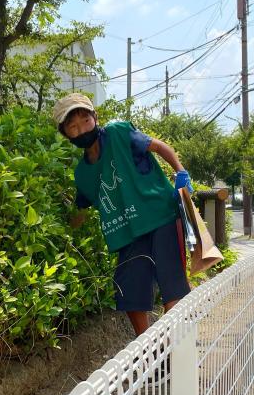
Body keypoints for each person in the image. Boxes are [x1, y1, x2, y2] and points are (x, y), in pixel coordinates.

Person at [52, 93, 193, 339]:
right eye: (73, 127)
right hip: (127, 232)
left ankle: (176, 342)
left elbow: (159, 146)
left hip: (160, 216)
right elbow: (81, 211)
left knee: (172, 285)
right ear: (66, 134)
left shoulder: (118, 133)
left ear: (95, 118)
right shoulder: (82, 174)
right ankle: (148, 346)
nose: (82, 129)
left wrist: (181, 172)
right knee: (129, 292)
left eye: (85, 120)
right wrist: (62, 236)